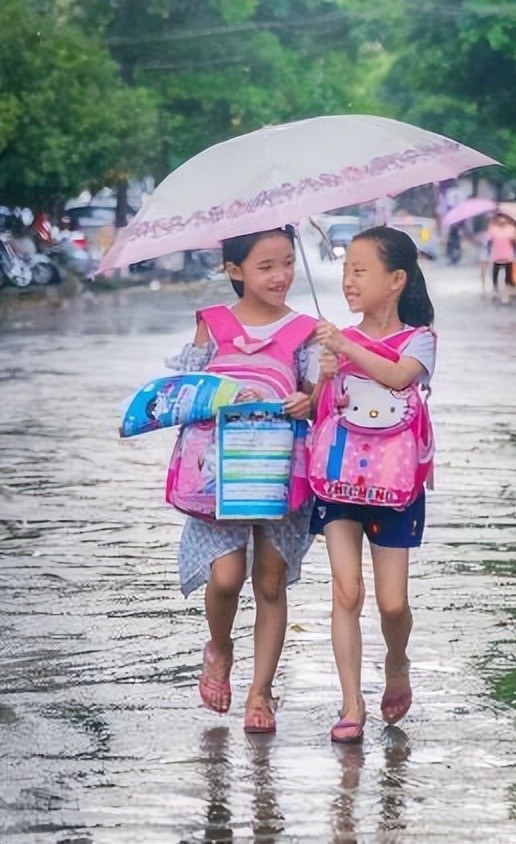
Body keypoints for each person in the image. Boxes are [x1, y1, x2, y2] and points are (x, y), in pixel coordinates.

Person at [164, 225, 319, 734]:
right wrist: (224, 396)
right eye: (266, 266)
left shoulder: (305, 330)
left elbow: (320, 396)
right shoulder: (212, 324)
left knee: (270, 582)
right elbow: (185, 396)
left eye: (288, 263)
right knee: (226, 578)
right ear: (234, 271)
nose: (281, 276)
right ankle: (220, 646)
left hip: (278, 476)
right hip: (218, 478)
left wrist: (310, 397)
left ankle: (260, 692)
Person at [311, 226, 437, 744]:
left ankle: (397, 659)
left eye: (360, 271)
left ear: (397, 279)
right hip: (338, 481)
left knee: (391, 604)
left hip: (395, 486)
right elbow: (321, 407)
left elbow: (400, 377)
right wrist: (321, 373)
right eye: (344, 272)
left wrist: (344, 347)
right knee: (347, 591)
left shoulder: (419, 339)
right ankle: (350, 703)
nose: (348, 282)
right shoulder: (337, 340)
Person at [485, 213, 516, 303]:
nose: (502, 220)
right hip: (496, 255)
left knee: (508, 277)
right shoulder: (492, 228)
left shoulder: (511, 229)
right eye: (500, 218)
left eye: (504, 218)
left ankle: (506, 297)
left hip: (508, 256)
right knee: (495, 275)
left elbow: (514, 242)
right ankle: (495, 291)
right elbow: (488, 240)